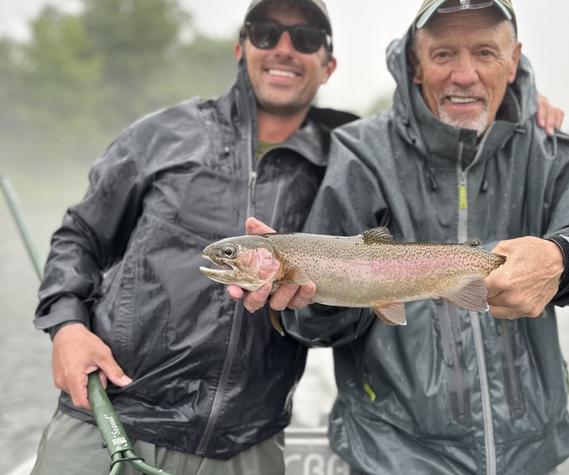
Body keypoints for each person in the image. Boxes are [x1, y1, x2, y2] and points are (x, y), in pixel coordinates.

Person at [234, 1, 569, 474]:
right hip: (391, 456)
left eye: (484, 52)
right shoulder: (361, 152)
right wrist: (309, 301)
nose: (464, 75)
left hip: (532, 456)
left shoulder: (555, 150)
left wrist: (562, 257)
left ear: (514, 58)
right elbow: (322, 328)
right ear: (416, 65)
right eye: (443, 55)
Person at [31, 1, 354, 473]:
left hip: (247, 447)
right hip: (108, 421)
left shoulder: (344, 164)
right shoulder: (161, 135)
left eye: (304, 38)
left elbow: (341, 322)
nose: (283, 49)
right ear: (240, 48)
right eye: (266, 33)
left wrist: (313, 306)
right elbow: (78, 237)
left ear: (328, 66)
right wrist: (66, 326)